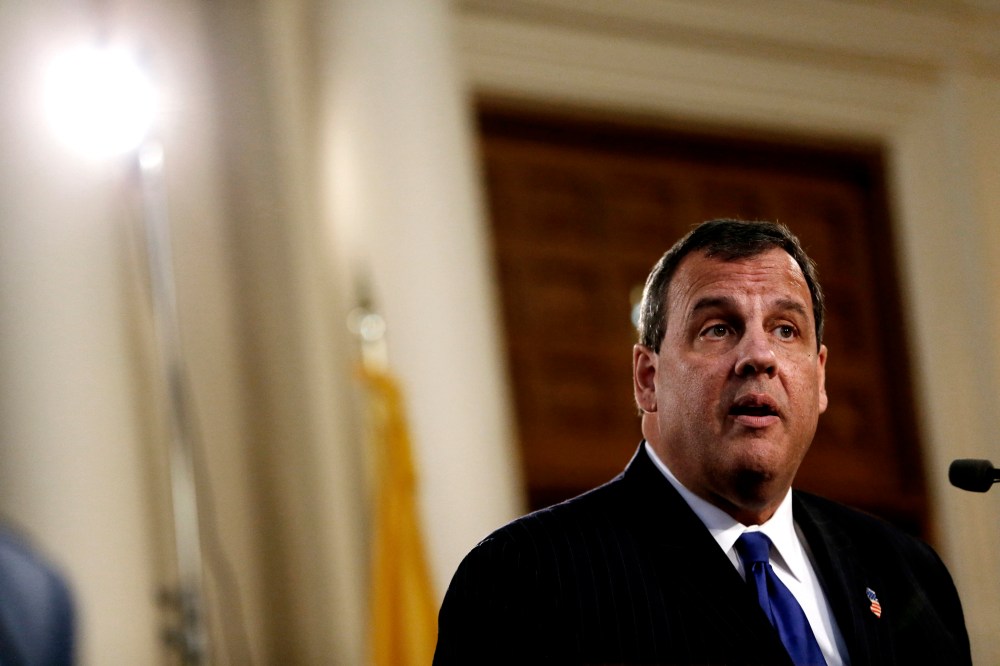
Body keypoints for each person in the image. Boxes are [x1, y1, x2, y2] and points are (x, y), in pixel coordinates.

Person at [434, 219, 971, 665]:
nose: (759, 356)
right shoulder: (526, 577)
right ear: (648, 379)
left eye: (786, 330)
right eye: (718, 328)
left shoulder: (906, 572)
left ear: (821, 377)